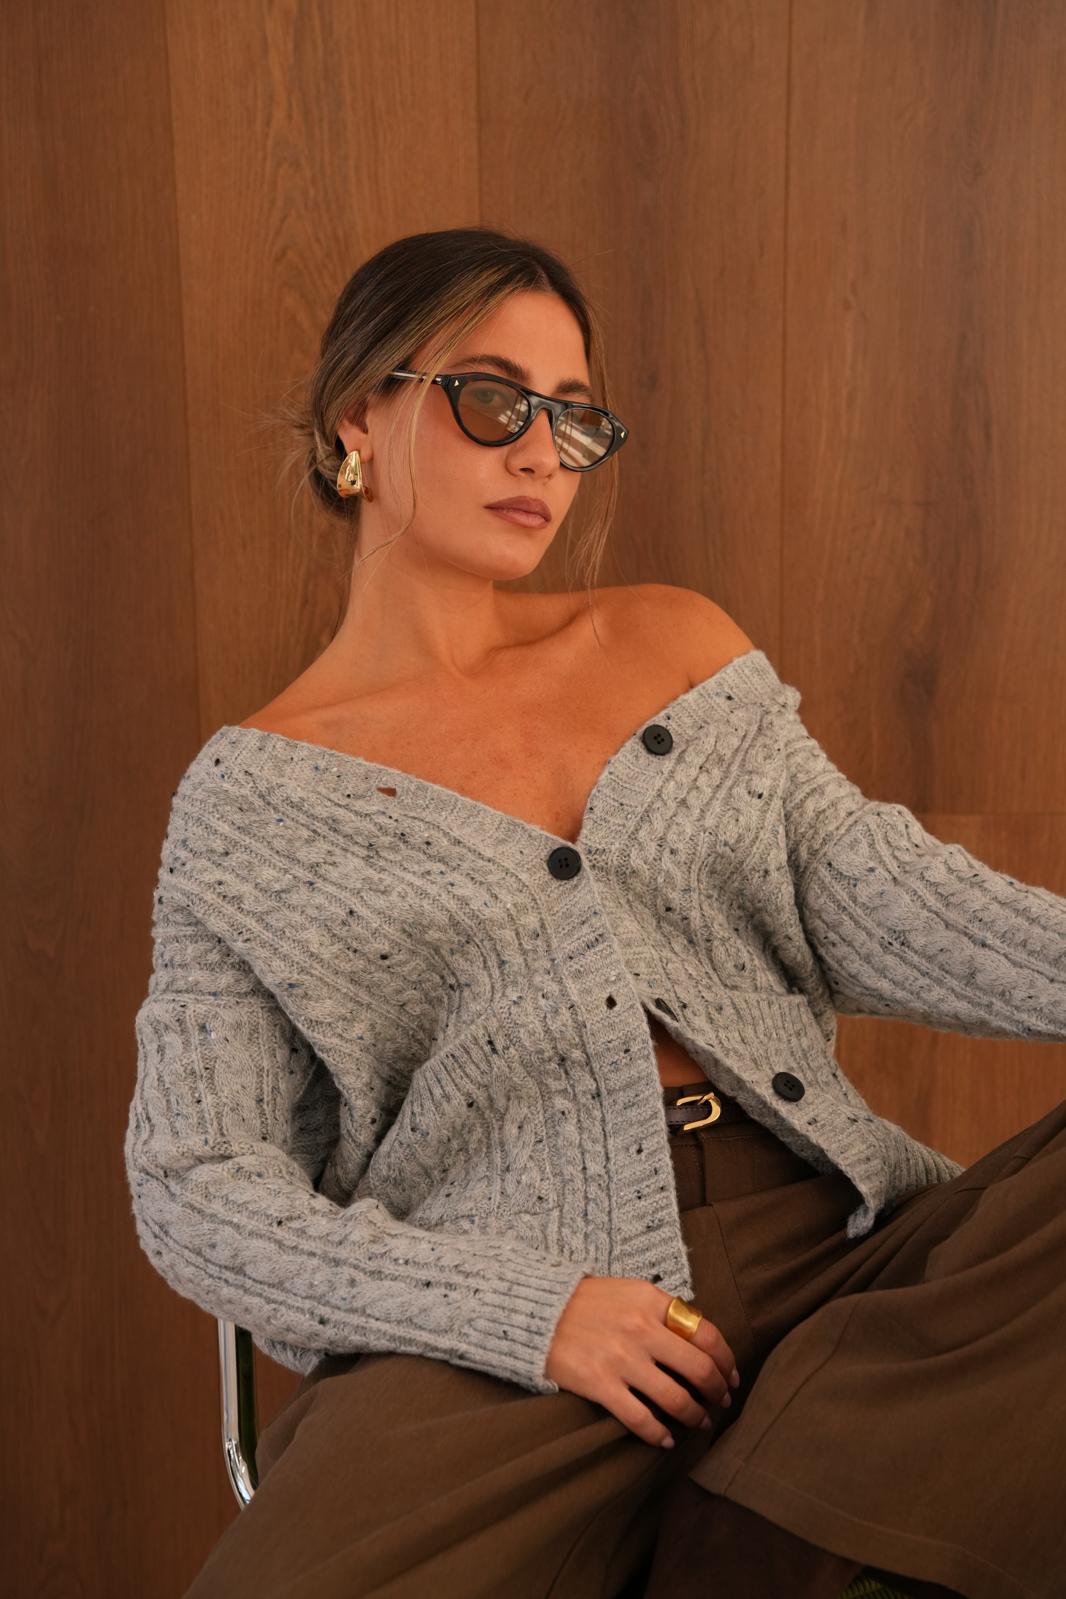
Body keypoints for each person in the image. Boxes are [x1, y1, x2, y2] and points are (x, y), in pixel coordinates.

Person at [125, 225, 1066, 1599]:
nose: (540, 455)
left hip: (833, 1259)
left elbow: (875, 892)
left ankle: (760, 1532)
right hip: (512, 1333)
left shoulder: (671, 643)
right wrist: (532, 1314)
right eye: (491, 398)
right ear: (357, 419)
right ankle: (780, 1525)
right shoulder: (251, 803)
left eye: (571, 418)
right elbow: (195, 1184)